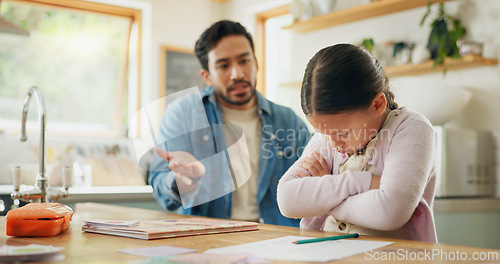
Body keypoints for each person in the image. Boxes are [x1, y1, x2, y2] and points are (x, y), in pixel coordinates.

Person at [148, 20, 310, 227]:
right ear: (207, 76)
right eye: (224, 66)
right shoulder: (182, 114)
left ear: (256, 63)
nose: (238, 74)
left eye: (244, 61)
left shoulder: (288, 121)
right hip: (208, 238)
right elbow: (160, 187)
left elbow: (312, 185)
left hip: (276, 236)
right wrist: (183, 180)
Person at [276, 43, 437, 242]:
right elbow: (287, 200)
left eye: (343, 133)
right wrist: (364, 183)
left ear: (377, 105)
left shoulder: (411, 129)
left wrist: (323, 197)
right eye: (323, 133)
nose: (333, 144)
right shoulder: (329, 134)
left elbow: (389, 212)